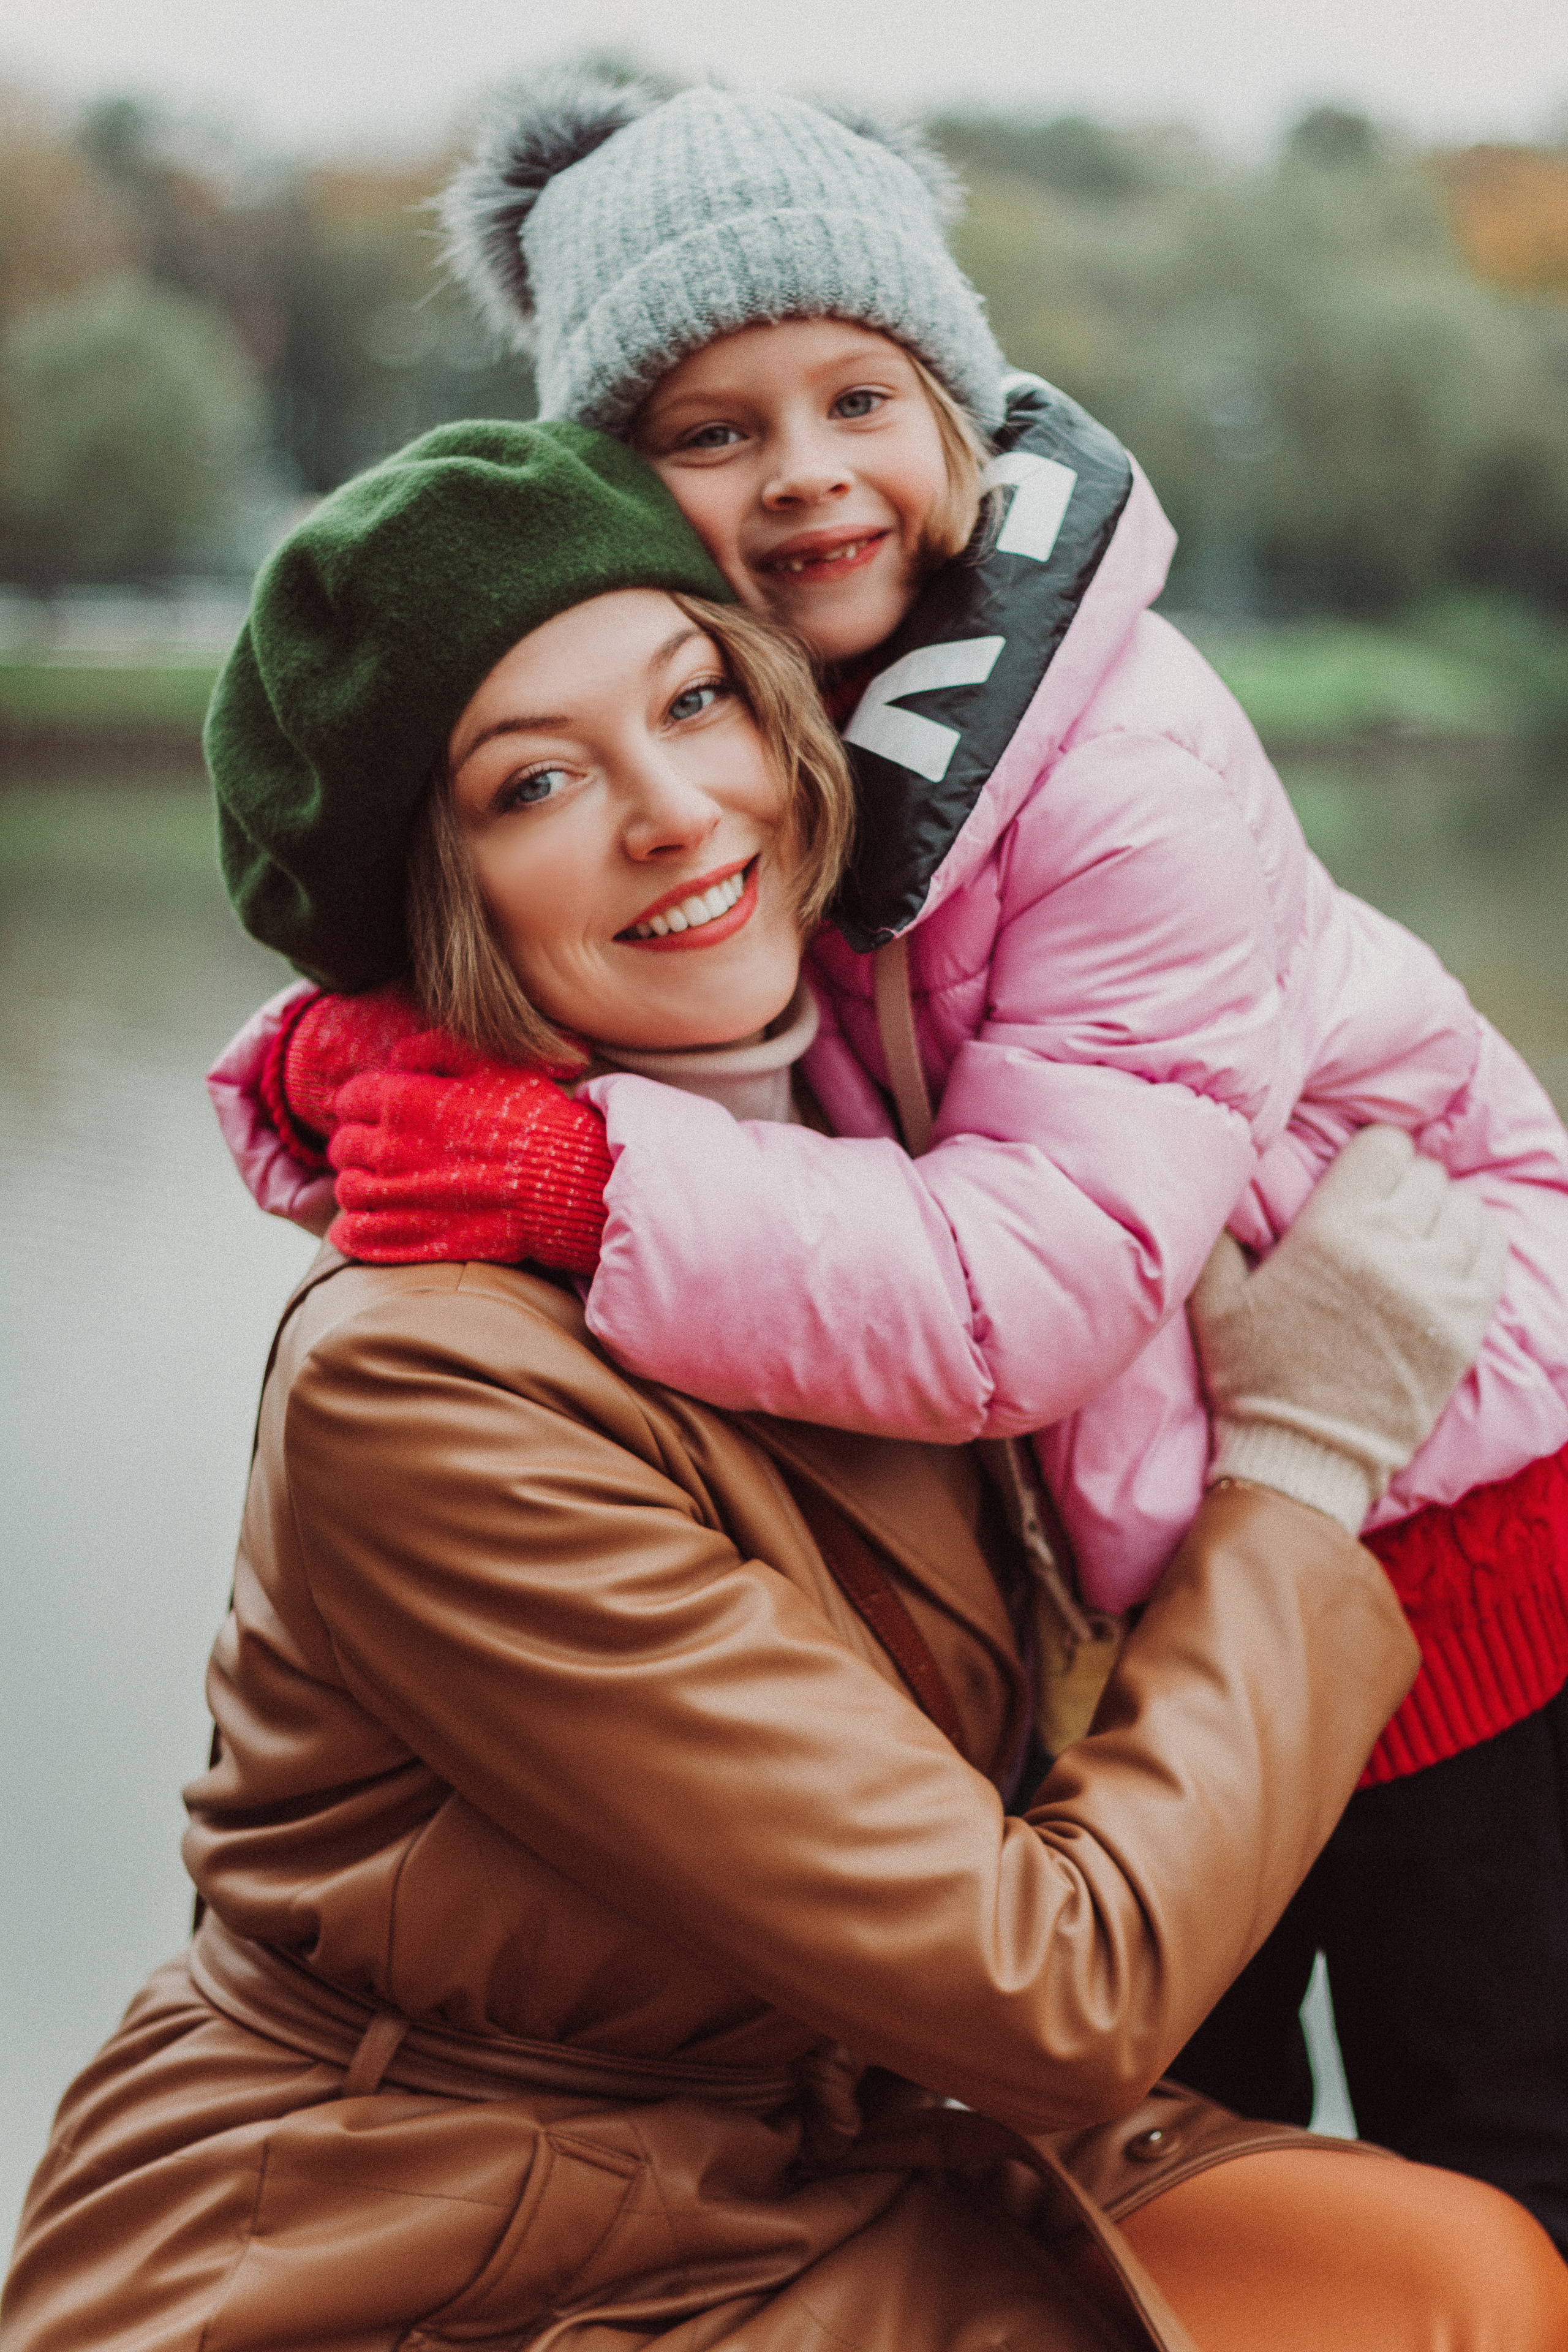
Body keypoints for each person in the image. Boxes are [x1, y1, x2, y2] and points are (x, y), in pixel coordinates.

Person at [4, 421, 1561, 2352]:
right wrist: (1303, 1461)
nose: (675, 812)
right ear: (434, 894)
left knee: (1462, 2273)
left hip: (804, 2149)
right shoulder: (421, 1394)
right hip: (437, 2236)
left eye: (695, 701)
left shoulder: (880, 1198)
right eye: (538, 783)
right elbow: (1044, 1992)